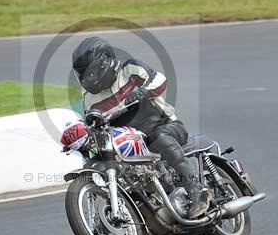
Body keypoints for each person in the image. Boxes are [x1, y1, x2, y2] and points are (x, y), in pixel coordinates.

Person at [71, 36, 210, 218]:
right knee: (111, 163)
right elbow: (93, 123)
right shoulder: (90, 99)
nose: (89, 79)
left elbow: (160, 81)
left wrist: (141, 93)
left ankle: (196, 189)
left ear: (106, 62)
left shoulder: (130, 69)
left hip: (165, 126)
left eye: (92, 73)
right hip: (132, 142)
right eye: (84, 75)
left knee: (159, 136)